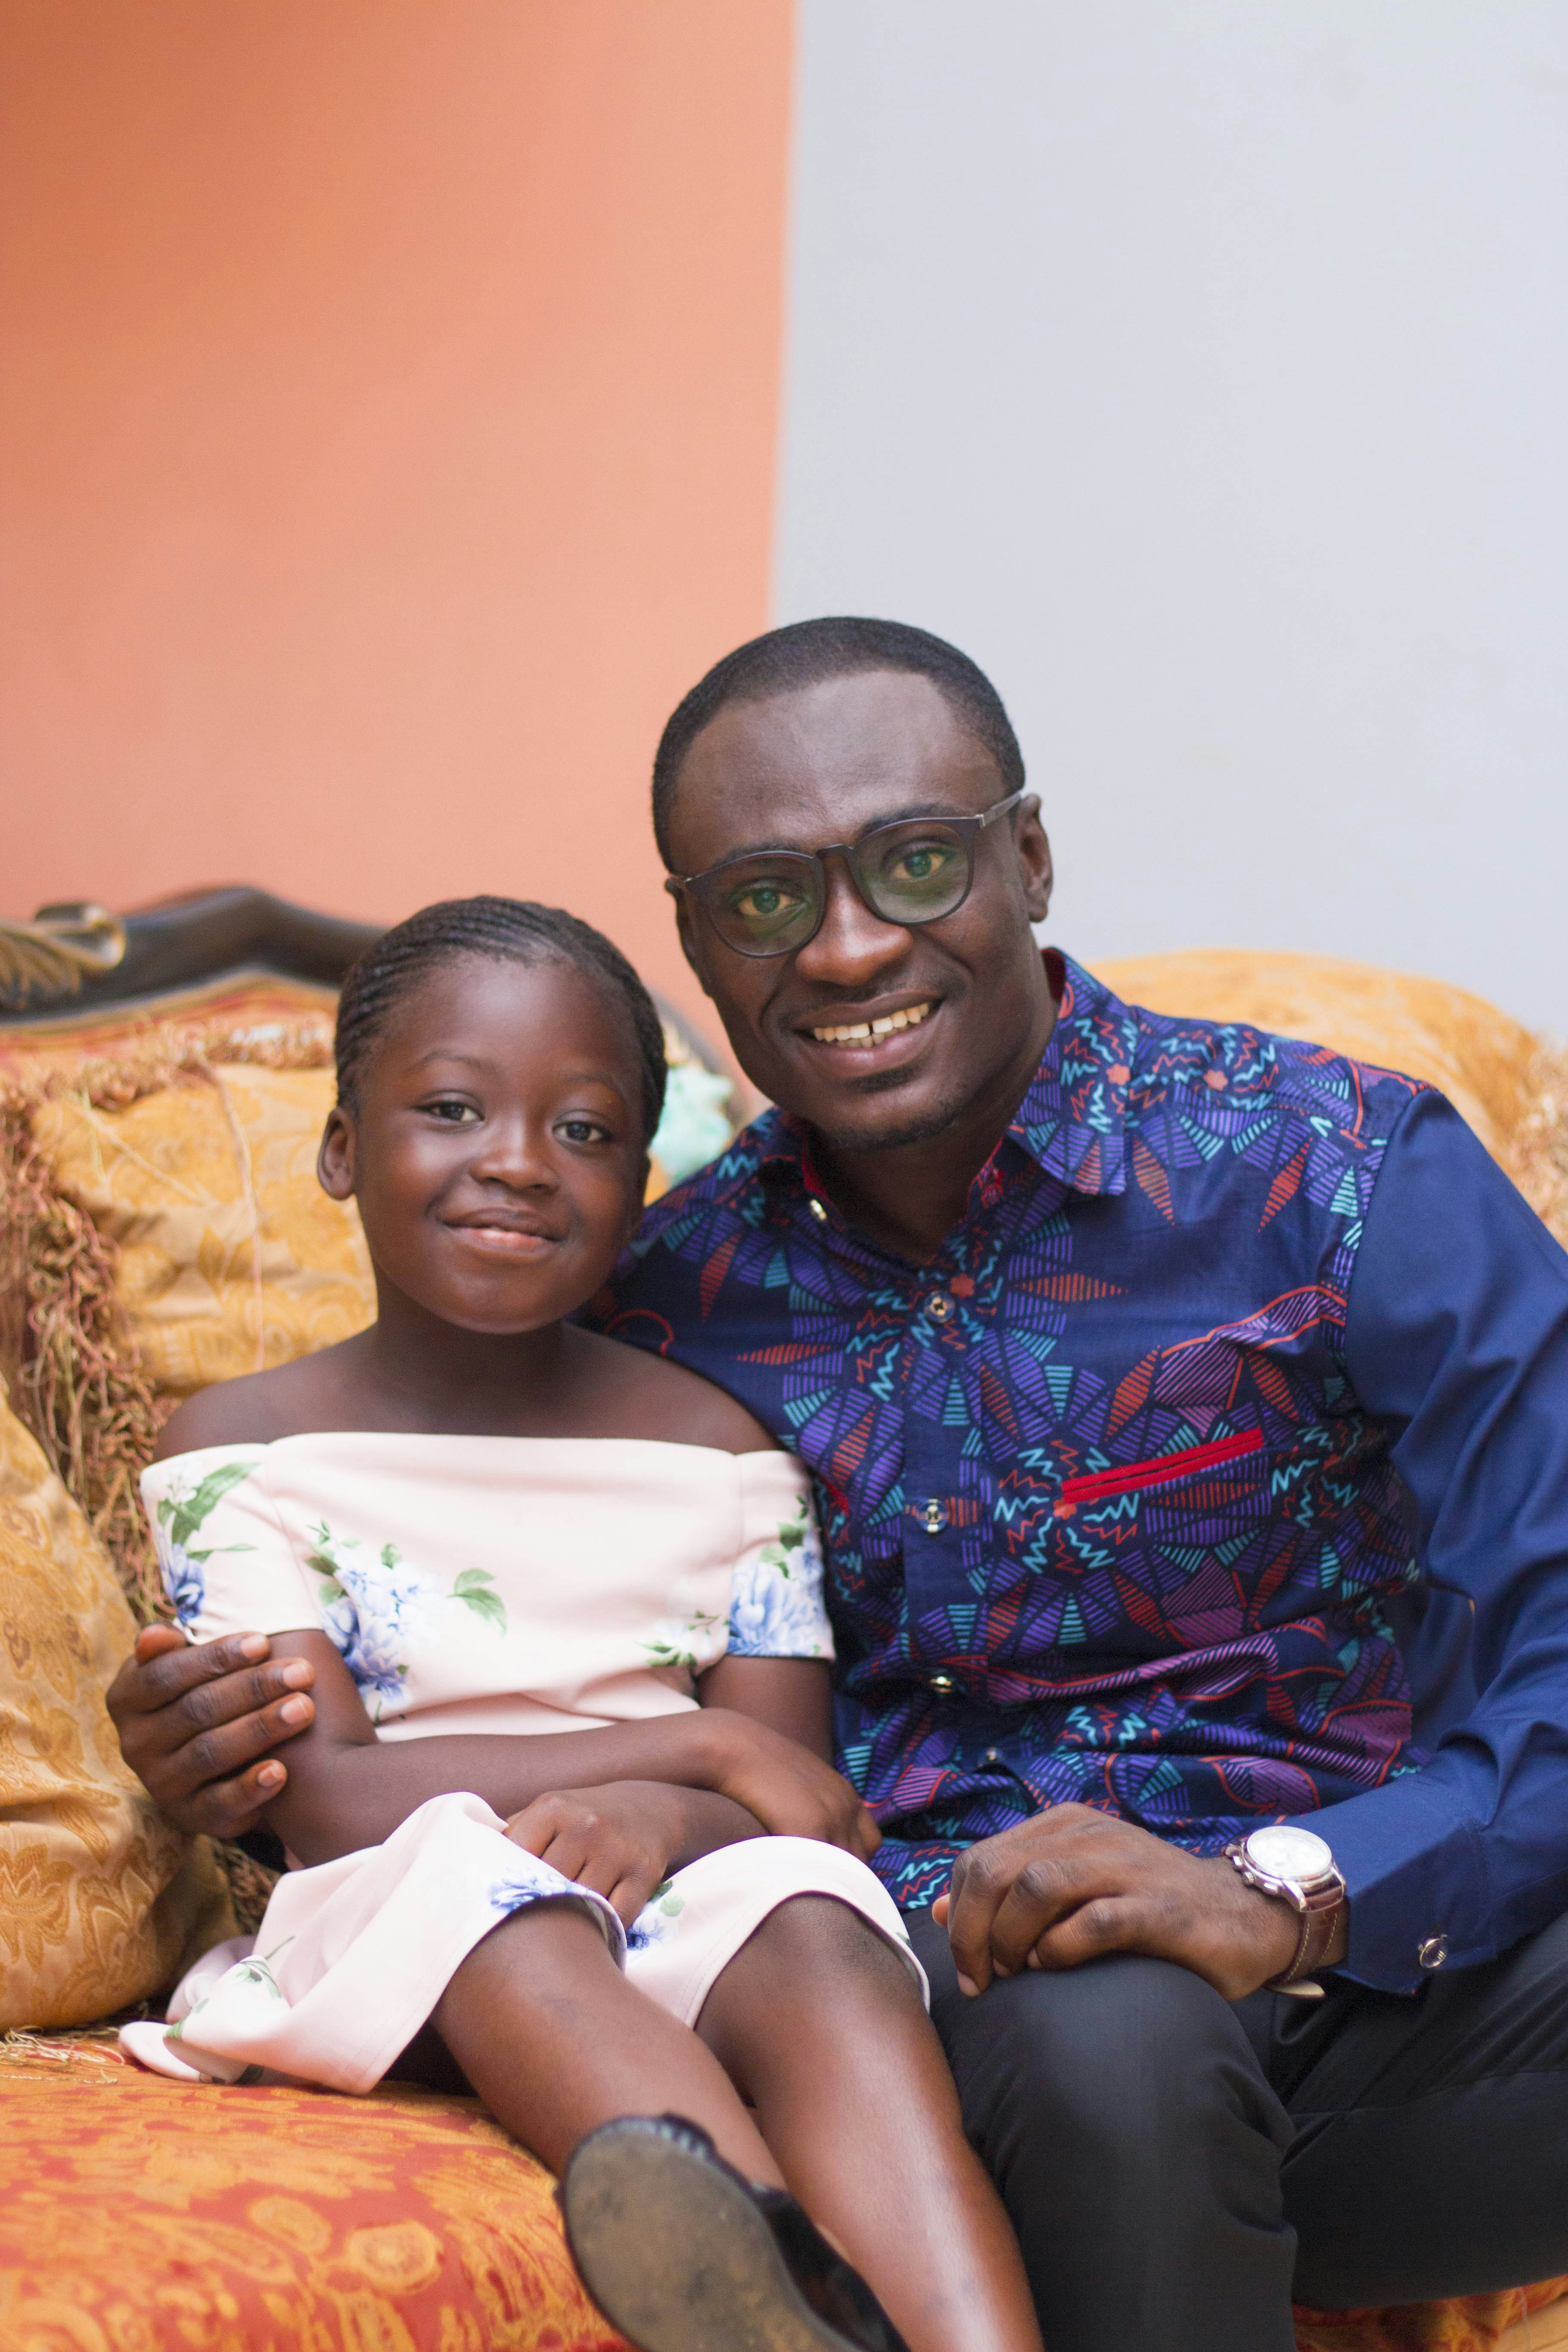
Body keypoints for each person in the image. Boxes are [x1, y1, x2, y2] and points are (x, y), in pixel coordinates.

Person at [111, 619, 1568, 2352]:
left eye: (919, 861)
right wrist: (226, 1740)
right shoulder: (660, 1306)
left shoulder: (1337, 1174)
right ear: (699, 945)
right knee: (1119, 2028)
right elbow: (444, 1589)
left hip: (1406, 1970)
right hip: (1007, 2004)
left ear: (1028, 857)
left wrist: (1286, 1887)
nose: (852, 943)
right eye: (766, 897)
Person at [115, 893, 1044, 2352]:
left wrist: (674, 1813)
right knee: (504, 1905)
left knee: (811, 1928)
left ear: (638, 1184)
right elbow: (330, 1802)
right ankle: (780, 2296)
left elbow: (795, 1799)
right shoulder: (243, 1450)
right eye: (450, 1107)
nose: (517, 1162)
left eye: (587, 1130)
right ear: (344, 1148)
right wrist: (686, 1758)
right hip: (399, 1920)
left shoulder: (724, 1455)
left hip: (686, 1889)